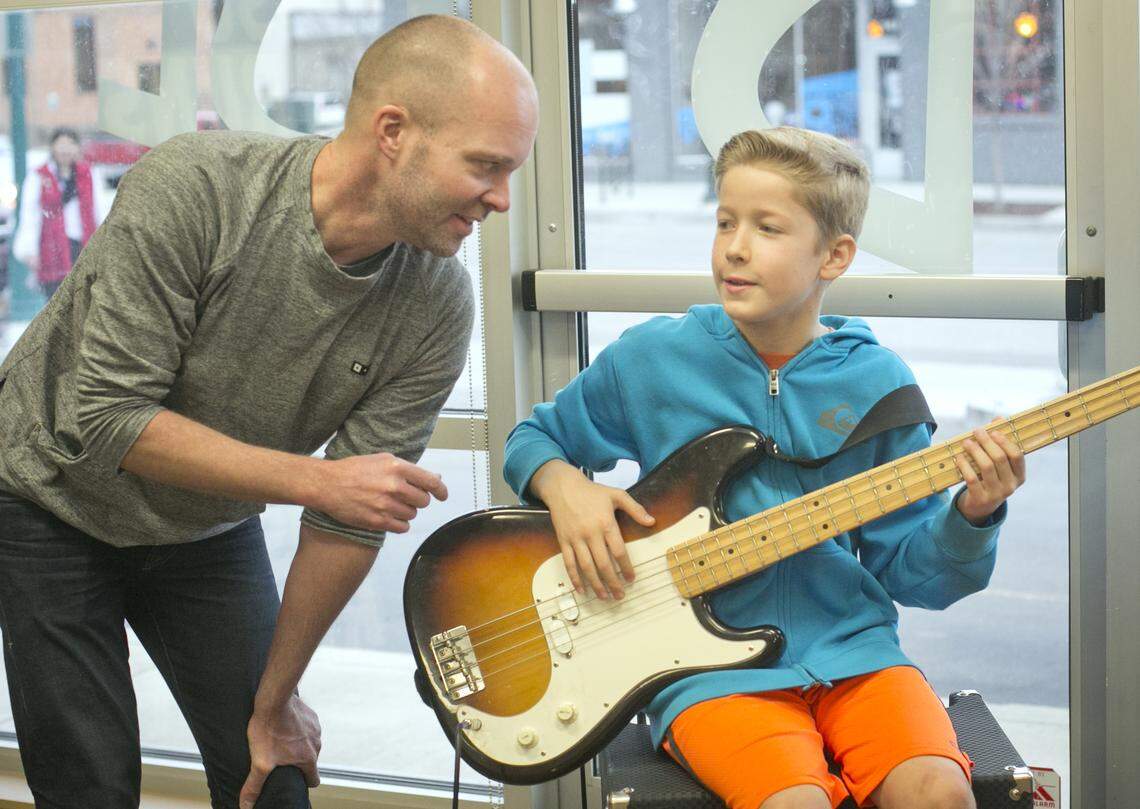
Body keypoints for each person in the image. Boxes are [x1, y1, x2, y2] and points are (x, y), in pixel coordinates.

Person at [0, 14, 538, 809]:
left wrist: (276, 701)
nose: (501, 198)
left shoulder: (435, 303)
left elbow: (348, 521)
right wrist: (318, 481)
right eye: (485, 166)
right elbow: (109, 416)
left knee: (274, 776)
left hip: (204, 525)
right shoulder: (198, 188)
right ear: (393, 132)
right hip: (48, 496)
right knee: (90, 786)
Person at [503, 127, 1025, 809]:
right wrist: (564, 485)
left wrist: (973, 515)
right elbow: (532, 439)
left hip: (854, 652)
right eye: (726, 221)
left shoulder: (880, 384)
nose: (735, 247)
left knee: (941, 792)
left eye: (767, 228)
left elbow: (911, 574)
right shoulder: (651, 358)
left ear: (834, 255)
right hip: (706, 672)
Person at [11, 127, 99, 299]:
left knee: (83, 299)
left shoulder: (88, 174)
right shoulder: (40, 176)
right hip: (51, 249)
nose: (65, 150)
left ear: (77, 147)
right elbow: (30, 215)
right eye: (61, 144)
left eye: (70, 144)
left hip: (83, 245)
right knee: (56, 301)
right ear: (52, 147)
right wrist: (29, 250)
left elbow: (99, 211)